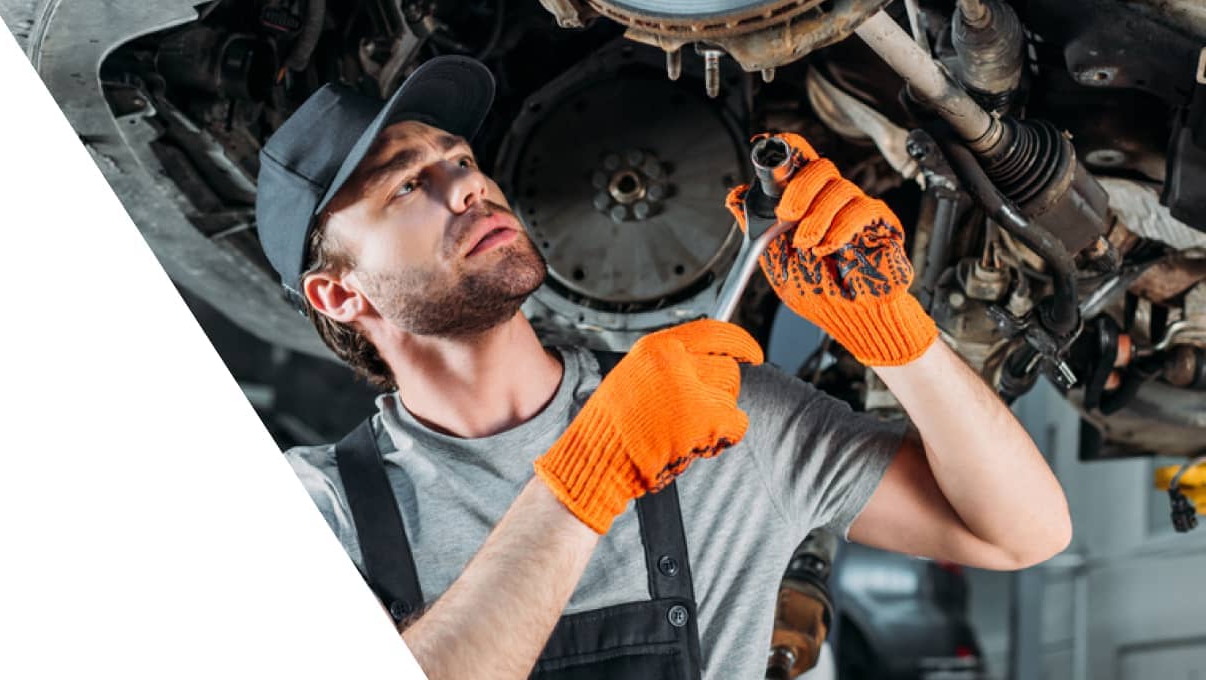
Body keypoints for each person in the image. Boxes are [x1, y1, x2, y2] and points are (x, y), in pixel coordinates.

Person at [255, 55, 1071, 680]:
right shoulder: (321, 514)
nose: (464, 186)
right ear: (338, 293)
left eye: (460, 158)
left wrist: (899, 338)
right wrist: (591, 472)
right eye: (406, 187)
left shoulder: (712, 409)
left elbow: (1023, 532)